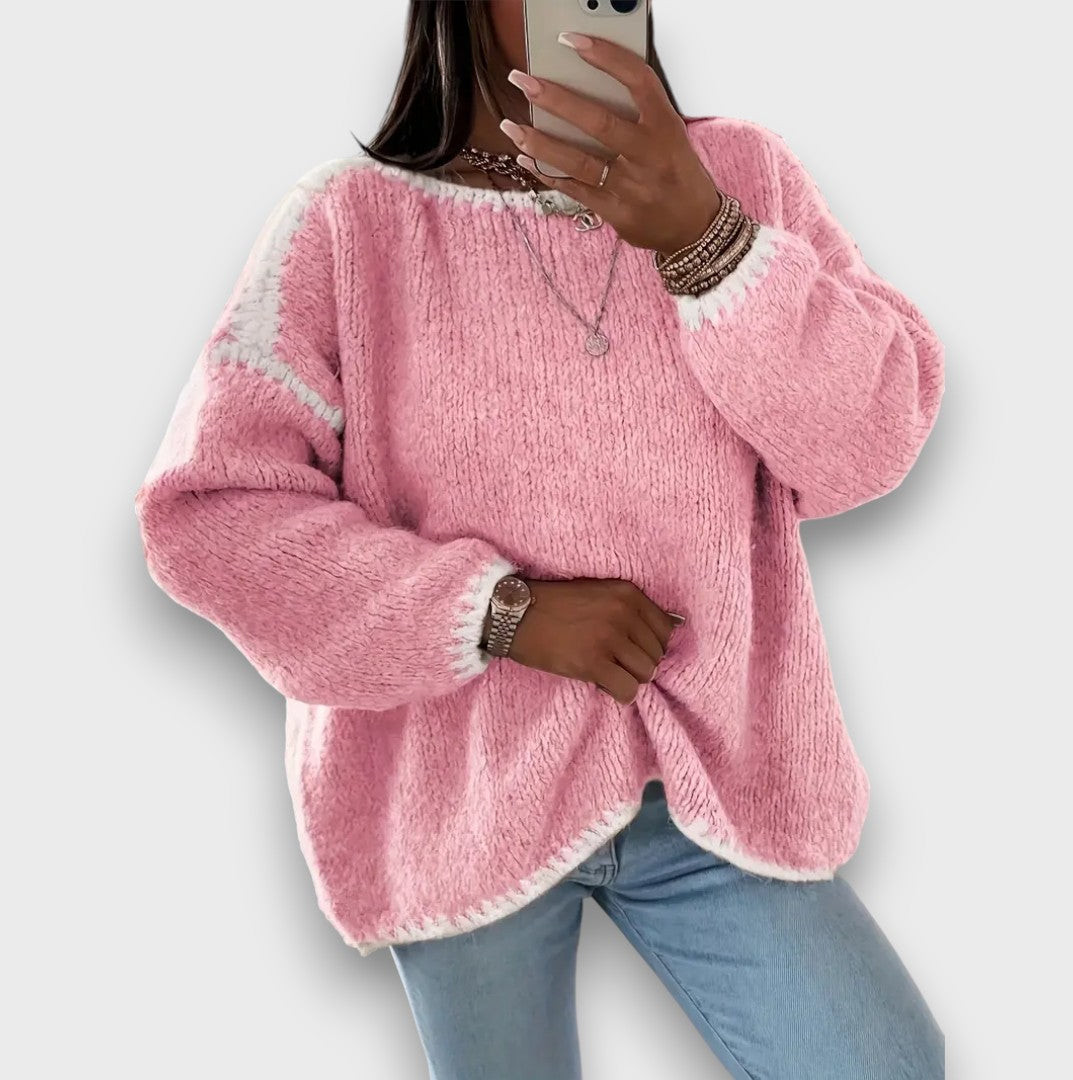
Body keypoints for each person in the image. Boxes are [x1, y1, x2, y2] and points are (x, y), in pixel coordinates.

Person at [134, 1, 946, 1076]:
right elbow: (212, 514)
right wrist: (498, 613)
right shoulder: (350, 229)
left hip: (713, 786)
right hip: (458, 801)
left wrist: (706, 241)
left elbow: (869, 443)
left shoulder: (740, 177)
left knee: (883, 1061)